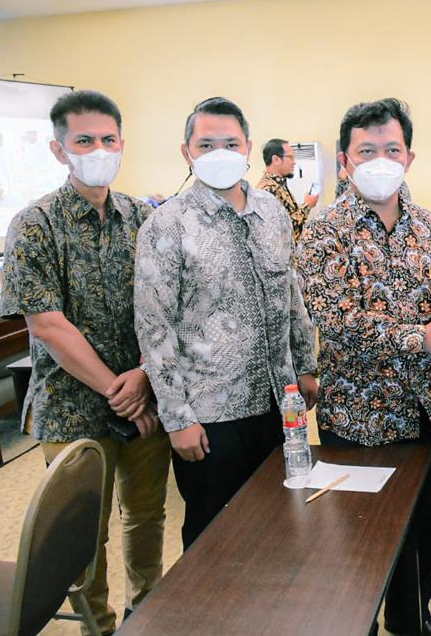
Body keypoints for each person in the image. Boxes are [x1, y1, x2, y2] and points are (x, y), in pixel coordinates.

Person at [296, 98, 431, 636]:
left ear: (409, 157)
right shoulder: (323, 231)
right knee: (367, 547)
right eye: (367, 151)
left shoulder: (428, 226)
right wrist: (421, 338)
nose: (381, 160)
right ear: (345, 160)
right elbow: (337, 321)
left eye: (392, 149)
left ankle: (413, 618)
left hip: (430, 412)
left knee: (427, 533)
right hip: (362, 421)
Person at [1, 90, 169, 635]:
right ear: (59, 150)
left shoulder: (143, 218)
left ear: (122, 143)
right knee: (82, 537)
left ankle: (147, 614)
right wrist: (118, 389)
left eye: (108, 139)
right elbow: (48, 325)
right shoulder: (34, 225)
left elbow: (166, 304)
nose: (99, 150)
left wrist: (143, 374)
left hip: (145, 399)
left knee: (146, 516)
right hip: (72, 406)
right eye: (84, 140)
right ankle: (99, 627)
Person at [134, 97, 318, 549]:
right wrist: (177, 418)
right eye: (206, 144)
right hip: (210, 415)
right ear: (187, 152)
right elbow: (154, 328)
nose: (220, 153)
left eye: (231, 144)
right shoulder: (166, 224)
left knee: (281, 525)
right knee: (214, 540)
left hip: (277, 403)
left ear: (248, 148)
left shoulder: (272, 212)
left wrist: (306, 365)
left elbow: (290, 292)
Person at [257, 138, 318, 243]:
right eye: (290, 157)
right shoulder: (267, 190)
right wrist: (307, 206)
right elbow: (282, 230)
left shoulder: (279, 185)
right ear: (276, 159)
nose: (294, 162)